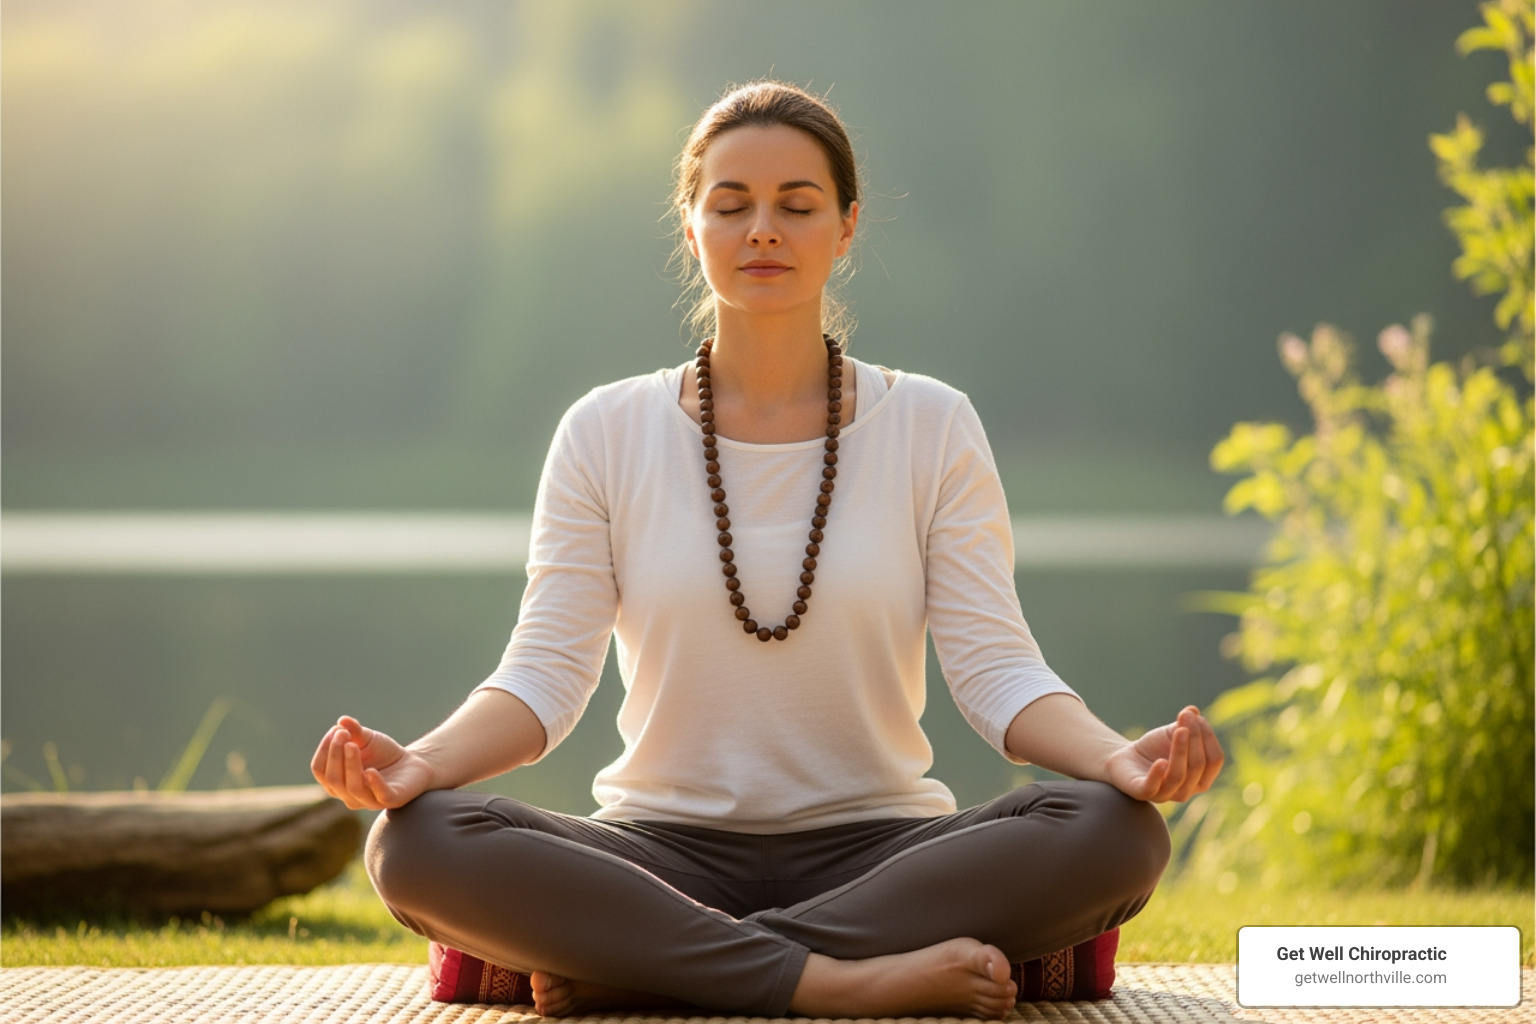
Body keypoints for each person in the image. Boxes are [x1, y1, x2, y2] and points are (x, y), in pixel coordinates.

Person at [311, 80, 1223, 1020]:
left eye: (797, 205)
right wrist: (419, 763)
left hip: (885, 853)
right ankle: (836, 983)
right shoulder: (605, 429)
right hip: (659, 854)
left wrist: (1117, 760)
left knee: (1114, 832)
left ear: (847, 227)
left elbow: (996, 670)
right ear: (692, 222)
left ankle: (645, 971)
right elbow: (544, 675)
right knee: (416, 843)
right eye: (731, 204)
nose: (763, 231)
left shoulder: (932, 424)